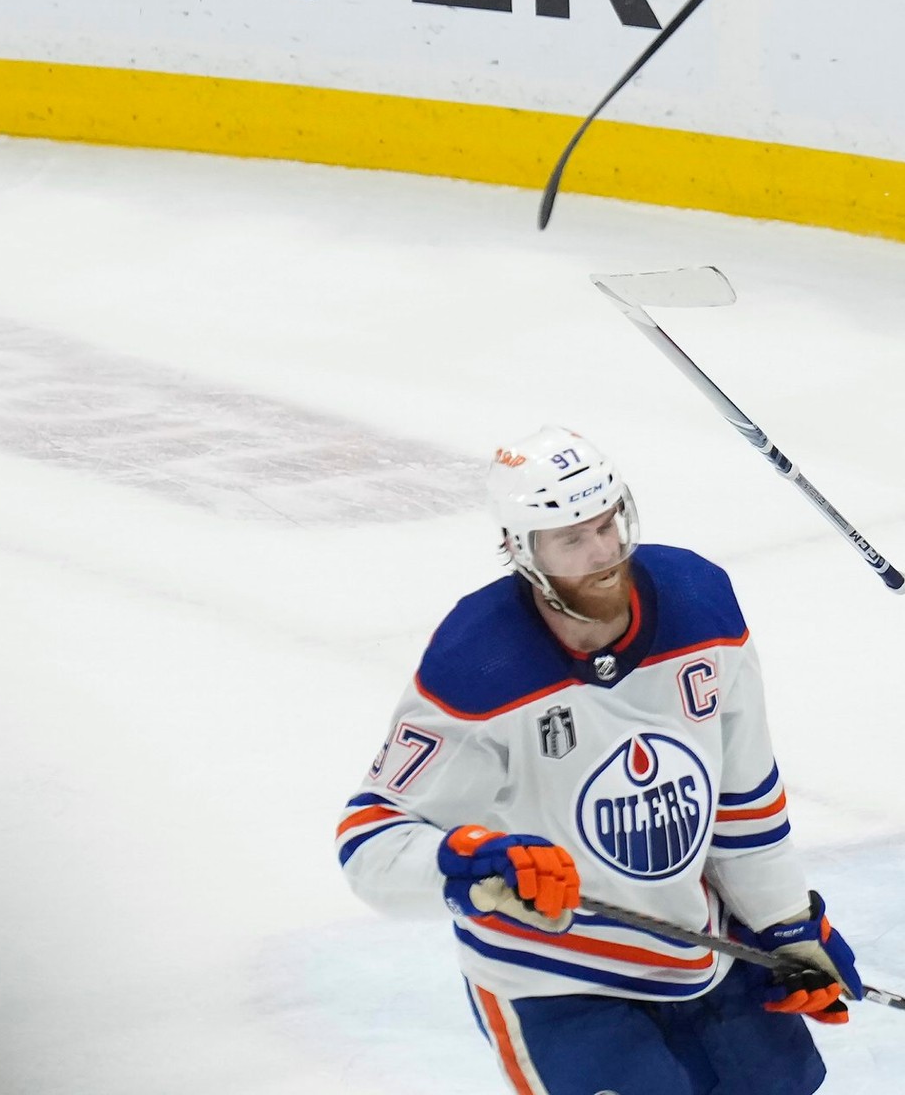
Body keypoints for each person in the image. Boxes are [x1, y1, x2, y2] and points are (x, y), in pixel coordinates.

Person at [337, 428, 860, 1095]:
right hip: (553, 978)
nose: (604, 551)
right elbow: (371, 842)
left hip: (700, 953)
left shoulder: (700, 606)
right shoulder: (481, 663)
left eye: (607, 524)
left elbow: (742, 798)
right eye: (571, 539)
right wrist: (465, 862)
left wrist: (784, 922)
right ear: (521, 551)